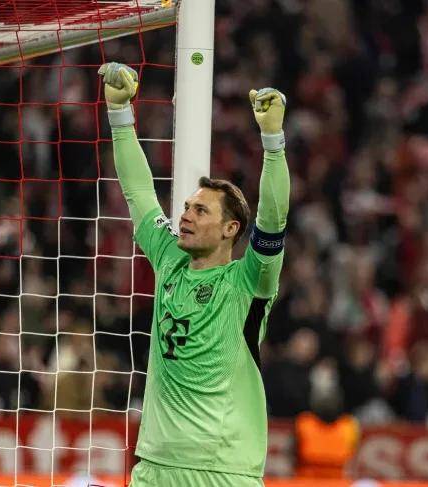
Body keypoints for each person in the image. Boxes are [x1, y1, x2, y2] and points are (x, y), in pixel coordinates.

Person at [98, 62, 290, 487]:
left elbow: (273, 219)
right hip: (155, 465)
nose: (185, 215)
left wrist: (273, 143)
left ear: (230, 229)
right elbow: (139, 194)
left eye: (200, 211)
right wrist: (119, 113)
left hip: (224, 471)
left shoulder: (248, 281)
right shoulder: (170, 259)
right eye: (186, 207)